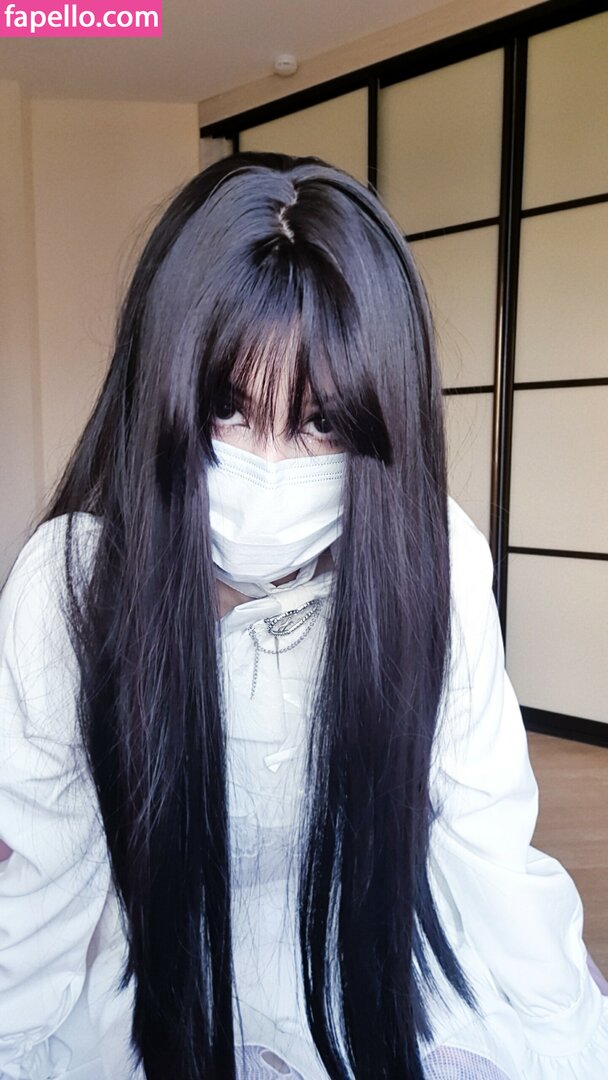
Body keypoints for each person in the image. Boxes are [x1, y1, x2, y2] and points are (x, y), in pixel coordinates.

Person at [0, 151, 606, 1080]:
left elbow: (486, 843)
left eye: (322, 422)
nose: (270, 468)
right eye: (227, 409)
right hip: (164, 973)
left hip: (374, 953)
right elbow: (37, 896)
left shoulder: (432, 557)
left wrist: (571, 1033)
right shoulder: (71, 587)